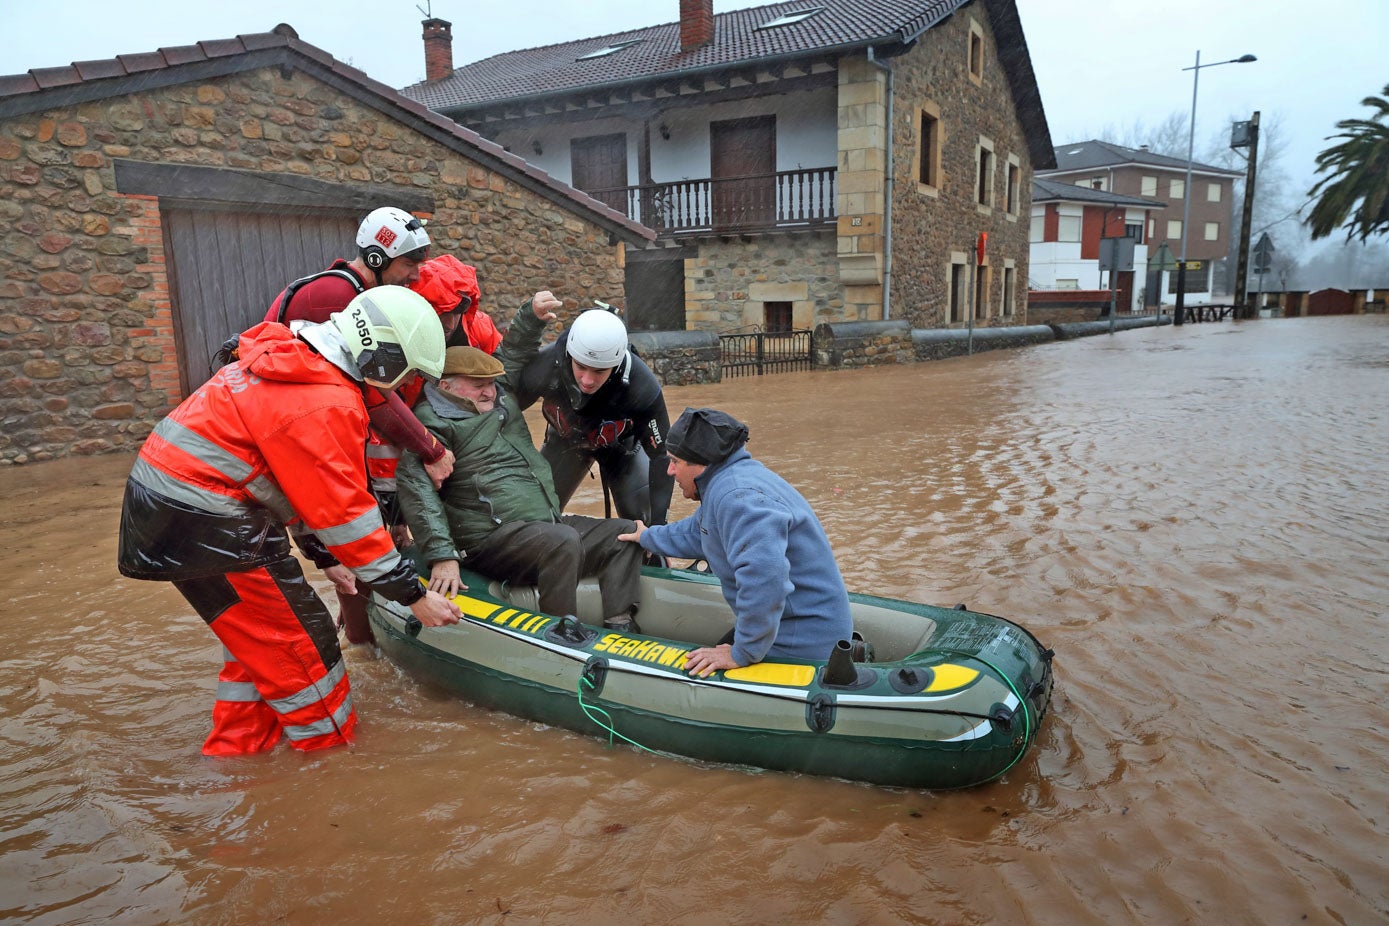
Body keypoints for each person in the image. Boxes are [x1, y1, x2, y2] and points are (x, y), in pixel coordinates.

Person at [118, 287, 463, 755]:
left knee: (261, 646)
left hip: (176, 509)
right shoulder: (325, 401)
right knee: (303, 645)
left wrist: (324, 554)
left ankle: (239, 757)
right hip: (208, 517)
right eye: (403, 373)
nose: (399, 387)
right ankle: (328, 756)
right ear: (382, 357)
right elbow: (346, 514)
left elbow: (294, 481)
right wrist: (412, 595)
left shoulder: (294, 357)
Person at [260, 207, 456, 644]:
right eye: (409, 265)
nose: (416, 276)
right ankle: (363, 643)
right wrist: (431, 448)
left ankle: (360, 628)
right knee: (348, 552)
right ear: (376, 259)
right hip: (295, 445)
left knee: (358, 543)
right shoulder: (333, 296)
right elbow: (375, 396)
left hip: (313, 438)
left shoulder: (346, 290)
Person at [396, 297, 643, 633]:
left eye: (491, 384)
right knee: (562, 541)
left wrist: (532, 315)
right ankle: (562, 630)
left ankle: (621, 626)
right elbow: (418, 492)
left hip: (542, 525)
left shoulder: (499, 396)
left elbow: (510, 355)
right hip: (488, 541)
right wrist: (442, 556)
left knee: (625, 533)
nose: (489, 393)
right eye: (478, 385)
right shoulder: (428, 429)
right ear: (446, 386)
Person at [619, 408, 852, 678]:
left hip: (801, 642)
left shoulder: (737, 496)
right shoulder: (727, 481)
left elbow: (766, 578)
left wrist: (742, 652)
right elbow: (698, 533)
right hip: (784, 626)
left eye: (675, 461)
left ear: (701, 462)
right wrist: (646, 537)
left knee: (696, 674)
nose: (670, 470)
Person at [503, 305, 673, 527]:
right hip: (565, 443)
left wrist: (659, 530)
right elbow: (503, 411)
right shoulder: (548, 365)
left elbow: (662, 457)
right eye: (581, 367)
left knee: (643, 523)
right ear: (570, 355)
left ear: (616, 364)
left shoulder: (641, 386)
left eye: (599, 371)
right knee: (535, 518)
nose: (587, 380)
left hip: (622, 450)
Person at [410, 254, 502, 353]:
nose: (450, 324)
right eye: (443, 312)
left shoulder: (483, 329)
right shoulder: (399, 329)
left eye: (460, 308)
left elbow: (505, 364)